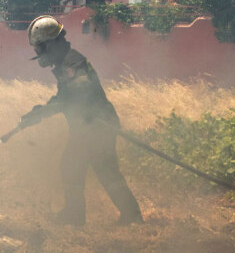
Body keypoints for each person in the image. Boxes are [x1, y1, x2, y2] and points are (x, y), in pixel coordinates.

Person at [15, 15, 143, 226]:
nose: (40, 55)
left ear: (52, 43)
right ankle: (128, 215)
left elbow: (80, 91)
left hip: (97, 124)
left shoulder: (72, 62)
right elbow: (64, 96)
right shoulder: (65, 62)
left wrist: (47, 110)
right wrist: (41, 111)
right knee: (91, 168)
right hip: (89, 126)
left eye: (41, 49)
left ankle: (85, 216)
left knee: (88, 168)